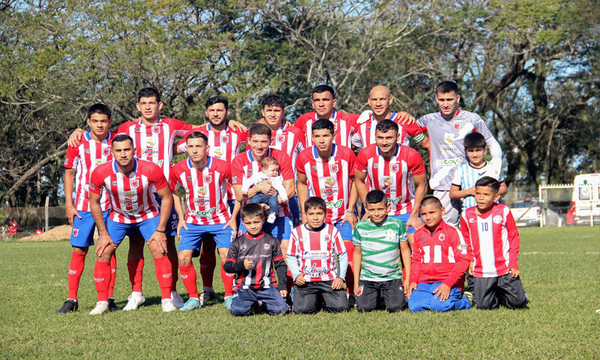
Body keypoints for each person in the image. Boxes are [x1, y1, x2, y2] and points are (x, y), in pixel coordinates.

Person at [88, 135, 176, 314]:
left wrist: (160, 230)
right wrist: (103, 233)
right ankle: (102, 302)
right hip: (119, 218)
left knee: (159, 249)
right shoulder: (100, 172)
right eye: (118, 150)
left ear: (134, 150)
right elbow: (94, 202)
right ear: (112, 152)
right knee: (103, 252)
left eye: (127, 150)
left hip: (147, 215)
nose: (123, 154)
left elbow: (167, 197)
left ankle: (167, 299)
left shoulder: (151, 169)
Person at [175, 95, 248, 306]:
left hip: (228, 200)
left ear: (227, 112)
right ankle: (203, 292)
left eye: (220, 110)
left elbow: (261, 138)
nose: (216, 113)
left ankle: (231, 293)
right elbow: (169, 150)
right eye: (212, 110)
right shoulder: (195, 136)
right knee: (205, 250)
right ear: (206, 112)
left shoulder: (238, 133)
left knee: (228, 251)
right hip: (198, 205)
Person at [57, 104, 119, 314]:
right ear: (88, 122)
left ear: (110, 121)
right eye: (95, 121)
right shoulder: (78, 142)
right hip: (83, 206)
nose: (100, 124)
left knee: (108, 250)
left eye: (104, 121)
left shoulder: (117, 140)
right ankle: (71, 299)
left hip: (110, 207)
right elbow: (69, 173)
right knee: (79, 250)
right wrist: (69, 205)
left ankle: (108, 299)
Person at [416, 81, 503, 226]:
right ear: (436, 99)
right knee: (445, 229)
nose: (445, 104)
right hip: (442, 184)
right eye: (442, 100)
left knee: (477, 226)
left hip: (470, 184)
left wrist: (496, 164)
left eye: (449, 99)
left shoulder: (472, 118)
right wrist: (424, 143)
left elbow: (491, 141)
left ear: (457, 98)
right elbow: (409, 130)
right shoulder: (429, 119)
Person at [170, 132, 237, 311]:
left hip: (221, 220)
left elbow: (239, 191)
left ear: (207, 148)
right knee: (183, 258)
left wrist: (234, 218)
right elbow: (173, 192)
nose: (194, 150)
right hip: (192, 222)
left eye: (198, 146)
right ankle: (193, 298)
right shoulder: (178, 169)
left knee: (226, 256)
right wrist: (181, 218)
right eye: (190, 147)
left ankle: (229, 295)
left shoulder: (222, 167)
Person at [295, 119, 358, 305]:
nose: (321, 140)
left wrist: (351, 209)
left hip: (342, 214)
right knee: (316, 254)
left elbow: (357, 181)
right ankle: (318, 292)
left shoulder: (347, 154)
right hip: (317, 217)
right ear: (312, 137)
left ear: (334, 136)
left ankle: (352, 292)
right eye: (317, 136)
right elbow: (301, 183)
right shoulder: (304, 157)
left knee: (348, 249)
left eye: (325, 136)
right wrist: (304, 211)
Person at [355, 120, 428, 246]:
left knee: (417, 246)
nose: (384, 142)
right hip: (378, 211)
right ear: (375, 137)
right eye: (380, 138)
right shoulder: (365, 154)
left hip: (406, 210)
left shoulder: (411, 155)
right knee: (372, 248)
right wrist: (368, 209)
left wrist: (415, 214)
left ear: (398, 137)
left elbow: (422, 185)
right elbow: (359, 181)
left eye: (389, 138)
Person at [460, 177, 528, 310]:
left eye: (486, 195)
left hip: (505, 267)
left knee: (518, 303)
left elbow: (513, 236)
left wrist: (513, 262)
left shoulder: (504, 211)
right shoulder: (466, 215)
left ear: (496, 196)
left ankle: (510, 293)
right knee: (485, 306)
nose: (480, 198)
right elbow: (464, 240)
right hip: (482, 269)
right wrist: (469, 260)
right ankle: (494, 291)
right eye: (478, 193)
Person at [231, 124, 295, 256]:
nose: (259, 146)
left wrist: (269, 205)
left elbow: (290, 190)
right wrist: (258, 188)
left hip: (279, 215)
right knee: (249, 258)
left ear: (270, 141)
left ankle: (286, 277)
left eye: (263, 142)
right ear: (248, 141)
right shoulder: (239, 161)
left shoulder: (281, 157)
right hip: (251, 218)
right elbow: (239, 195)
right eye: (255, 141)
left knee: (287, 254)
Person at [406, 196, 473, 312]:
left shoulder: (453, 232)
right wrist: (413, 280)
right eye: (424, 214)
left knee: (440, 306)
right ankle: (430, 299)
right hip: (425, 282)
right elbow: (416, 260)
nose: (428, 217)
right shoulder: (418, 235)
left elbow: (463, 260)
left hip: (448, 281)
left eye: (432, 212)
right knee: (415, 307)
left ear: (442, 211)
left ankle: (466, 301)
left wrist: (448, 283)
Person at [223, 204, 289, 316]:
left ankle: (266, 303)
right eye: (248, 223)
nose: (253, 226)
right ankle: (251, 303)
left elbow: (280, 264)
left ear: (263, 220)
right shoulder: (237, 243)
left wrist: (282, 286)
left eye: (256, 222)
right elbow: (227, 267)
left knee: (281, 311)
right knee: (238, 311)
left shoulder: (272, 241)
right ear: (243, 223)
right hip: (245, 287)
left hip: (268, 287)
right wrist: (241, 265)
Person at [286, 197, 348, 314]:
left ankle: (323, 298)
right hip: (306, 280)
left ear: (325, 214)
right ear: (305, 214)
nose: (315, 218)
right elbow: (291, 256)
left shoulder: (332, 231)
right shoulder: (296, 232)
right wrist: (297, 275)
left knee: (340, 308)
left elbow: (342, 255)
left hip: (328, 279)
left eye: (319, 213)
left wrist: (340, 277)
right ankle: (316, 299)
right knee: (302, 310)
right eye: (311, 214)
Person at [353, 190, 412, 312]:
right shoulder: (360, 227)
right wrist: (356, 282)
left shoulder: (397, 224)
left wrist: (407, 278)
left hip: (391, 276)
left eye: (380, 209)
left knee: (396, 307)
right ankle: (376, 294)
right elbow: (357, 254)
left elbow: (405, 251)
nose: (376, 213)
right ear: (366, 208)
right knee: (364, 308)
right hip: (368, 277)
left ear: (388, 207)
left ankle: (388, 293)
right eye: (372, 210)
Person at [260, 94, 305, 226]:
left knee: (290, 236)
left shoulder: (296, 133)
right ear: (263, 112)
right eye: (269, 110)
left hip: (289, 193)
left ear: (283, 112)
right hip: (263, 193)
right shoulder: (257, 134)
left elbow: (306, 160)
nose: (272, 114)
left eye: (277, 110)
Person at [351, 85, 426, 149]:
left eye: (382, 99)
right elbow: (351, 146)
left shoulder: (404, 120)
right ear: (369, 101)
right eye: (374, 100)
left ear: (390, 100)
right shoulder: (362, 124)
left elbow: (427, 144)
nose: (378, 103)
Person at [450, 132, 507, 212]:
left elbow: (504, 188)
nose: (475, 154)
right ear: (465, 151)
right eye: (471, 151)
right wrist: (469, 191)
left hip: (492, 212)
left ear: (485, 150)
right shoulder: (461, 170)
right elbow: (452, 194)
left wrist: (490, 191)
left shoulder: (493, 167)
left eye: (478, 150)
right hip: (470, 214)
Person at [294, 85, 359, 148]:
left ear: (334, 102)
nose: (321, 104)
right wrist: (284, 121)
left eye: (325, 100)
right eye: (317, 100)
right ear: (313, 104)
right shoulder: (304, 120)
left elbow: (367, 129)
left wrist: (368, 113)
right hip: (313, 159)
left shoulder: (348, 119)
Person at [241, 156, 288, 224]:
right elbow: (248, 181)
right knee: (253, 202)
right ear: (264, 169)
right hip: (259, 194)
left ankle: (272, 214)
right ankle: (250, 214)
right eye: (273, 170)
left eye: (277, 170)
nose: (275, 172)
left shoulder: (276, 179)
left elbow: (281, 188)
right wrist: (244, 190)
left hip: (271, 195)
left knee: (274, 203)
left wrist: (284, 197)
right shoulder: (257, 175)